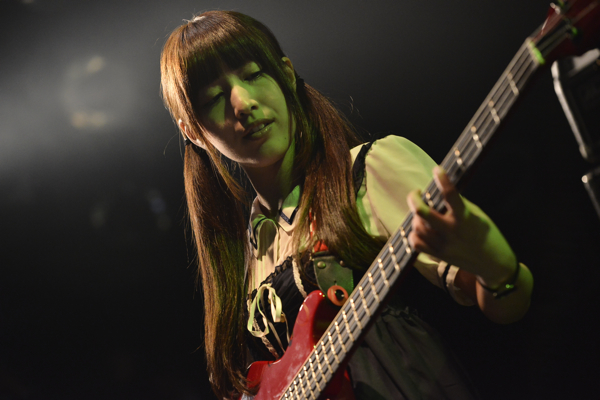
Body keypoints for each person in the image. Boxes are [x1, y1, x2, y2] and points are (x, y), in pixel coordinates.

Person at [160, 10, 533, 400]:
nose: (242, 103)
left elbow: (509, 304)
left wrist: (495, 264)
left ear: (286, 73)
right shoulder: (250, 252)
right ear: (193, 131)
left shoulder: (372, 169)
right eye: (214, 98)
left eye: (254, 75)